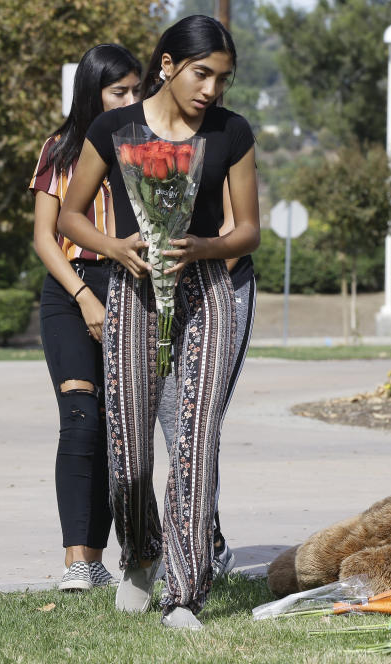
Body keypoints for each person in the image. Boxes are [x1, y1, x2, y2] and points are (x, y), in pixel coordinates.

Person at [57, 15, 260, 629]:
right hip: (133, 289)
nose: (211, 91)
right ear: (167, 65)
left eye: (221, 79)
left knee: (197, 441)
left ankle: (184, 592)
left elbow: (249, 229)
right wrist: (115, 248)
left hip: (208, 290)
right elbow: (69, 217)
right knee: (130, 447)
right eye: (202, 74)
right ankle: (141, 556)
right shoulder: (111, 126)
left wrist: (205, 246)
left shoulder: (232, 132)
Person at [29, 43, 144, 592]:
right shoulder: (62, 147)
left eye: (135, 89)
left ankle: (142, 552)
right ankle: (81, 561)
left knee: (126, 428)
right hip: (71, 289)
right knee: (80, 416)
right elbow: (44, 238)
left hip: (133, 287)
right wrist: (83, 297)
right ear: (91, 92)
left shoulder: (148, 147)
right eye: (117, 91)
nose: (130, 99)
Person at [156, 181, 257, 579]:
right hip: (160, 293)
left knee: (197, 422)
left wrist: (195, 280)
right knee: (171, 425)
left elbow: (239, 228)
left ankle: (197, 547)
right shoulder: (143, 139)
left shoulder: (227, 136)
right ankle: (205, 537)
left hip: (222, 284)